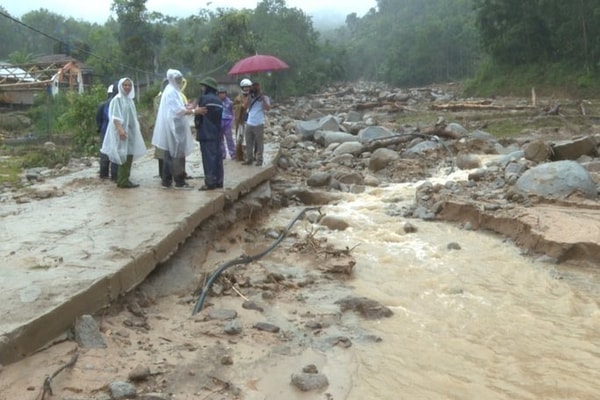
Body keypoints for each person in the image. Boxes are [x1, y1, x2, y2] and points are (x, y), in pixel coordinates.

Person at [151, 69, 198, 189]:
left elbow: (177, 107)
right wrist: (194, 110)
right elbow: (177, 111)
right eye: (177, 79)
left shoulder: (172, 90)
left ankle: (166, 181)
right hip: (174, 128)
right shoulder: (172, 91)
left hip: (174, 126)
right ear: (171, 79)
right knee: (177, 154)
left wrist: (186, 107)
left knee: (169, 153)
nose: (179, 81)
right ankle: (179, 181)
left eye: (180, 78)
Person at [100, 77, 147, 189]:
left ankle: (125, 179)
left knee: (128, 156)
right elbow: (115, 117)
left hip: (130, 133)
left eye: (129, 85)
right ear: (121, 86)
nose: (127, 87)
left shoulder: (129, 100)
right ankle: (122, 181)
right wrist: (120, 130)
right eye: (125, 85)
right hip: (121, 133)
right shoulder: (117, 100)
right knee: (123, 156)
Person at [194, 77, 223, 191]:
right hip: (216, 133)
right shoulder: (218, 100)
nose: (202, 88)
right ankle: (219, 181)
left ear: (207, 87)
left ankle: (210, 182)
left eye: (203, 86)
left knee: (208, 159)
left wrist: (197, 125)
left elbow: (198, 117)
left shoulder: (204, 99)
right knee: (217, 158)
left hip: (205, 133)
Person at [243, 81, 271, 166]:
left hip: (259, 123)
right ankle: (249, 159)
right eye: (253, 87)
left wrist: (263, 100)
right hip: (249, 122)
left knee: (259, 143)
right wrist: (248, 96)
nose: (255, 88)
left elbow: (268, 108)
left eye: (256, 87)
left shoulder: (265, 97)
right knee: (248, 142)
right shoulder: (250, 97)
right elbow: (244, 106)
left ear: (259, 88)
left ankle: (259, 160)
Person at [95, 82, 118, 180]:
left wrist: (100, 128)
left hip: (105, 132)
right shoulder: (107, 105)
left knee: (105, 153)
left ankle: (103, 175)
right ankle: (114, 176)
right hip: (113, 132)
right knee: (114, 153)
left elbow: (98, 119)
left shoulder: (103, 105)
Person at [233, 78, 252, 161]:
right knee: (240, 138)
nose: (246, 88)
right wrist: (241, 106)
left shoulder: (253, 97)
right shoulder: (238, 98)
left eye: (248, 87)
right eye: (244, 87)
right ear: (242, 88)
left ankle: (250, 156)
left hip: (251, 121)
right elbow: (234, 108)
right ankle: (240, 156)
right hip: (241, 121)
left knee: (250, 139)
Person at [218, 87, 235, 159]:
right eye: (220, 93)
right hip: (219, 122)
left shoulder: (230, 102)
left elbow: (233, 112)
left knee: (229, 139)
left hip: (227, 121)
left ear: (225, 93)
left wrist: (233, 121)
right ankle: (222, 154)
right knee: (220, 139)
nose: (222, 95)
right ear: (218, 94)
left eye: (223, 93)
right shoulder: (217, 102)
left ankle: (233, 154)